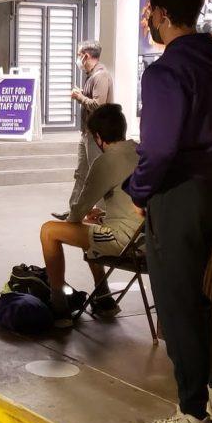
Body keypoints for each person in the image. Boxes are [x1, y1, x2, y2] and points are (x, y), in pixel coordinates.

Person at [126, 0, 212, 423]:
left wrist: (138, 191)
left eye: (149, 8)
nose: (146, 17)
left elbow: (158, 148)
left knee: (177, 303)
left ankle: (192, 418)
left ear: (163, 13)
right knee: (205, 300)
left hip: (178, 196)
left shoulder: (167, 71)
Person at [38, 103, 138, 326]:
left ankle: (59, 308)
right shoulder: (139, 151)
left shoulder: (105, 161)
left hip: (125, 241)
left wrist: (78, 217)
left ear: (98, 137)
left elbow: (77, 212)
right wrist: (99, 216)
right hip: (146, 237)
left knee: (49, 231)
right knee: (91, 227)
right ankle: (104, 299)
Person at [53, 40, 113, 220]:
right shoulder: (92, 75)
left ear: (86, 56)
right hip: (87, 133)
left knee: (99, 175)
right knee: (81, 173)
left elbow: (98, 105)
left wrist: (79, 97)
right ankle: (75, 212)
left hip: (97, 135)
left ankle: (104, 215)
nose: (78, 59)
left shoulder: (101, 76)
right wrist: (83, 94)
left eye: (79, 55)